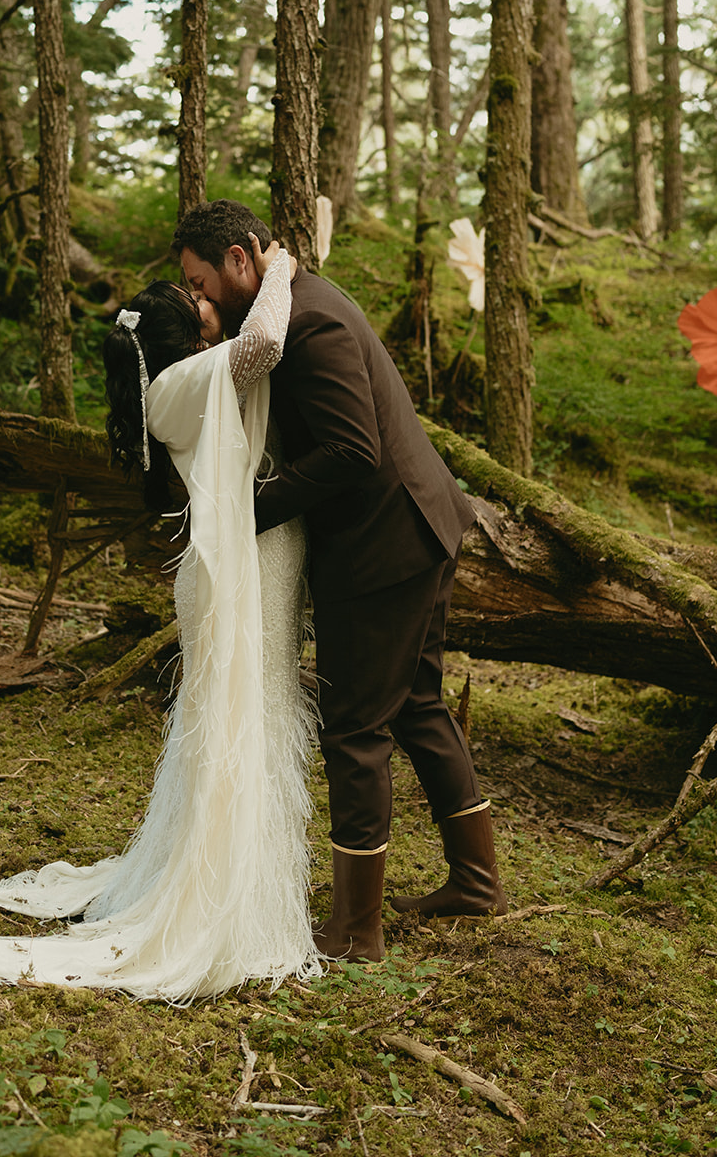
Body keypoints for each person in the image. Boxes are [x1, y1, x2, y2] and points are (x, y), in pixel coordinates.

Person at [0, 238, 322, 1000]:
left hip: (249, 559)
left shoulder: (187, 376)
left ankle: (236, 876)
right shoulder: (183, 382)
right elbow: (265, 339)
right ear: (184, 330)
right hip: (237, 570)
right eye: (199, 299)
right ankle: (222, 898)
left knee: (251, 715)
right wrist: (284, 269)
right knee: (242, 720)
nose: (212, 303)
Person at [174, 199, 507, 962]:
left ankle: (356, 930)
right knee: (419, 704)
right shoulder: (295, 297)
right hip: (420, 525)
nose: (199, 301)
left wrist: (247, 510)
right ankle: (476, 883)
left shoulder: (308, 322)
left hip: (385, 546)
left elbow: (352, 450)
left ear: (238, 259)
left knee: (355, 730)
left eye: (201, 282)